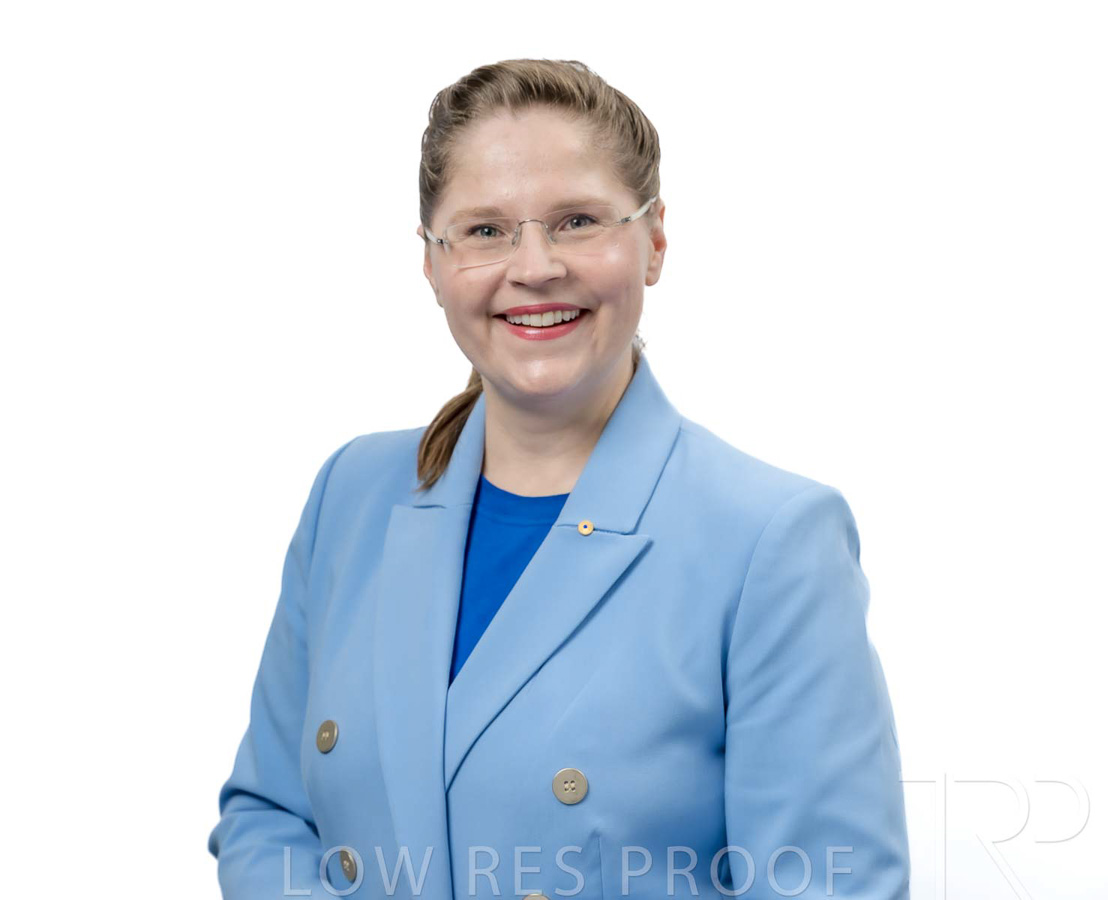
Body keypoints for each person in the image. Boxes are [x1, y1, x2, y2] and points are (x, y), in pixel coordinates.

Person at [207, 58, 911, 899]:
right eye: (484, 230)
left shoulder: (772, 540)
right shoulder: (351, 495)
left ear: (653, 241)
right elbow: (268, 817)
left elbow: (827, 885)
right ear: (431, 262)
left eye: (577, 221)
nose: (534, 266)